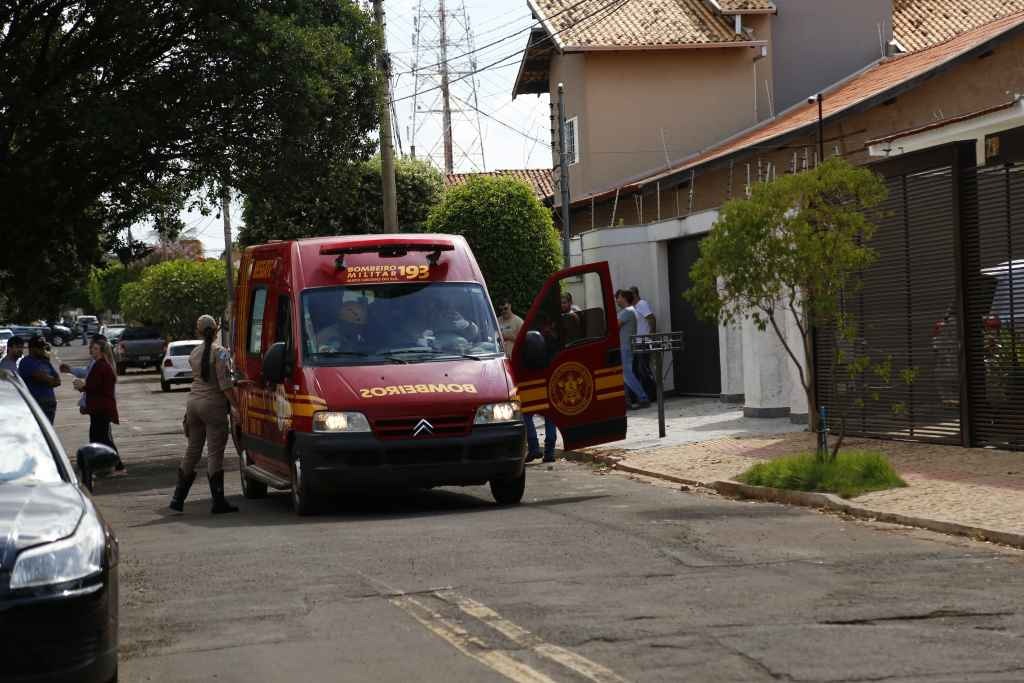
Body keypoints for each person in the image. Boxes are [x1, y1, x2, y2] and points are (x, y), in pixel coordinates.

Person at [169, 315, 240, 514]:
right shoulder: (221, 353)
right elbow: (225, 385)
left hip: (193, 404)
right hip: (213, 406)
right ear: (217, 329)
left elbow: (197, 380)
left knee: (192, 450)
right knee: (214, 453)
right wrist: (237, 407)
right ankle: (218, 502)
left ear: (198, 331)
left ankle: (178, 498)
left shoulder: (194, 353)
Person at [61, 336, 126, 473]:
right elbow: (93, 384)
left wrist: (82, 386)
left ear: (102, 351)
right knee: (98, 436)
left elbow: (95, 386)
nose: (92, 350)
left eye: (95, 348)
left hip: (101, 407)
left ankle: (114, 464)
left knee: (101, 437)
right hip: (99, 406)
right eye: (92, 348)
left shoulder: (101, 365)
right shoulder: (98, 364)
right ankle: (103, 465)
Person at [615, 290, 649, 410]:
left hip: (625, 346)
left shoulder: (627, 311)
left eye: (618, 297)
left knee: (626, 374)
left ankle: (643, 397)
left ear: (624, 298)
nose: (616, 300)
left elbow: (615, 326)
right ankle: (626, 400)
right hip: (625, 346)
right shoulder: (627, 311)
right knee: (622, 374)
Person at [18, 336, 61, 422]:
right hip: (37, 404)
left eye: (43, 347)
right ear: (32, 349)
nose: (43, 350)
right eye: (40, 348)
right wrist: (49, 379)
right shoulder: (26, 361)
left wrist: (48, 378)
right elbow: (39, 376)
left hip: (49, 404)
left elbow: (58, 381)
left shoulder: (45, 361)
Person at [630, 286, 658, 399]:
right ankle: (643, 395)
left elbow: (651, 318)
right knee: (637, 369)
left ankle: (653, 395)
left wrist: (651, 335)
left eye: (631, 295)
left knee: (644, 369)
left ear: (636, 295)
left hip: (644, 342)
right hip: (637, 342)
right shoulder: (634, 307)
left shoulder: (642, 304)